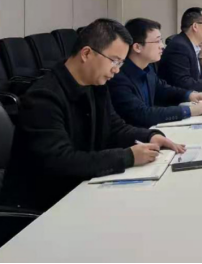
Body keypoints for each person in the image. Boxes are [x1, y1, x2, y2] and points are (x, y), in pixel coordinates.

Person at [0, 19, 184, 212]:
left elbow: (114, 128)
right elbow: (62, 162)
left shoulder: (96, 85)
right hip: (43, 205)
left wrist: (150, 136)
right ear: (86, 53)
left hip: (79, 189)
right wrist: (128, 156)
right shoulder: (42, 98)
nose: (117, 70)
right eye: (114, 61)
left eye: (121, 63)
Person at [109, 18, 202, 129]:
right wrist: (189, 110)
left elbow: (163, 89)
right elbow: (142, 114)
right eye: (157, 41)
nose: (162, 46)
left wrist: (190, 95)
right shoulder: (118, 77)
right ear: (137, 47)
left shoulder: (148, 68)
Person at [158, 8, 202, 92]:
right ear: (195, 26)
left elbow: (190, 73)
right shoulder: (180, 46)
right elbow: (183, 82)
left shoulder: (189, 44)